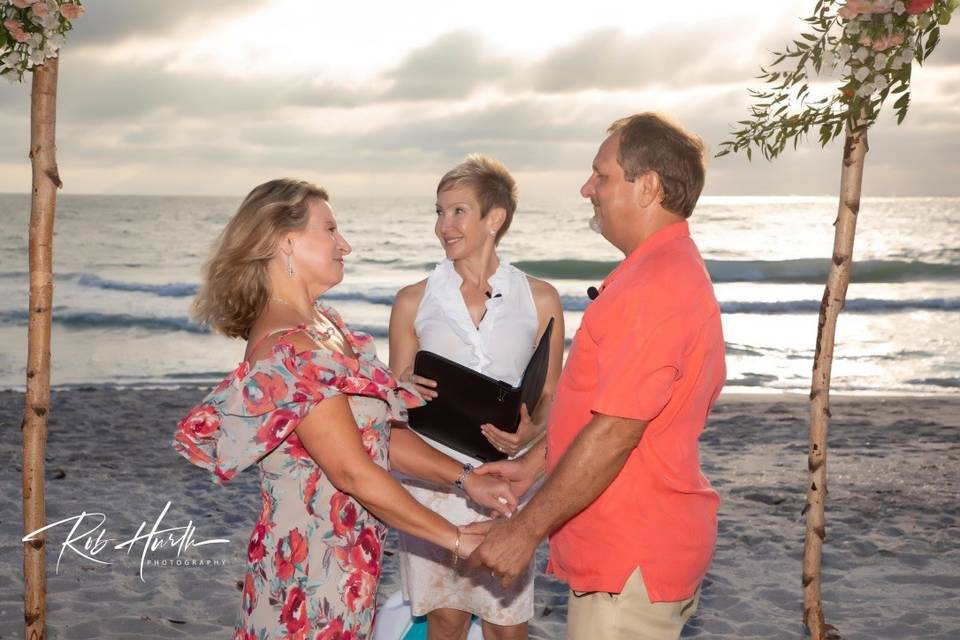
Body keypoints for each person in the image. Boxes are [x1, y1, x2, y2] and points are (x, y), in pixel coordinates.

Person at [172, 178, 518, 640]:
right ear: (286, 241)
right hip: (307, 576)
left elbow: (378, 439)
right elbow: (352, 471)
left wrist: (466, 478)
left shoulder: (324, 325)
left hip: (348, 564)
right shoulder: (289, 349)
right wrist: (454, 540)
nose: (346, 245)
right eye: (331, 230)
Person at [465, 113, 727, 640]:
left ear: (647, 186)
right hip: (633, 546)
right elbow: (615, 410)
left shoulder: (655, 284)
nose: (587, 189)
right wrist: (535, 463)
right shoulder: (657, 269)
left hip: (631, 554)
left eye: (601, 175)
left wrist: (524, 530)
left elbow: (615, 433)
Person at [388, 154, 565, 640]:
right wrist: (399, 389)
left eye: (458, 211)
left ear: (495, 219)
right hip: (432, 478)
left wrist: (533, 430)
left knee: (507, 623)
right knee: (444, 618)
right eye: (439, 212)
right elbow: (390, 408)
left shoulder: (541, 298)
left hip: (506, 477)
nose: (444, 225)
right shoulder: (412, 300)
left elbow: (551, 393)